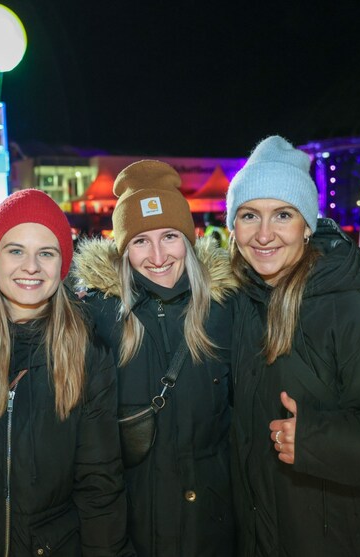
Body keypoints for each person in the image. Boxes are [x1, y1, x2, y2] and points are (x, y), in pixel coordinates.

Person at [225, 135, 360, 556]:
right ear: (232, 227)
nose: (265, 233)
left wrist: (316, 441)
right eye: (250, 215)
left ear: (307, 226)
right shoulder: (239, 305)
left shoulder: (354, 311)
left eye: (283, 214)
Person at [0, 189, 133, 556]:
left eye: (46, 253)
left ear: (61, 265)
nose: (31, 266)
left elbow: (99, 484)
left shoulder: (88, 354)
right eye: (16, 250)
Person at [74, 160, 237, 557]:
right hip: (134, 531)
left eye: (170, 236)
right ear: (123, 248)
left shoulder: (225, 311)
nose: (158, 256)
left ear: (189, 239)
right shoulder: (96, 317)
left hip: (214, 530)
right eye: (141, 241)